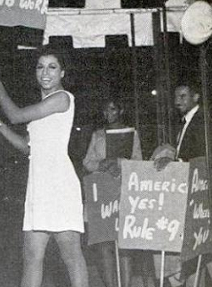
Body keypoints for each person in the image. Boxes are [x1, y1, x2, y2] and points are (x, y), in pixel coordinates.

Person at [0, 45, 89, 287]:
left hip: (60, 184)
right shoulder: (42, 111)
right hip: (39, 184)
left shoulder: (62, 98)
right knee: (31, 256)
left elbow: (17, 115)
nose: (45, 72)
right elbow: (27, 147)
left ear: (63, 73)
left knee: (71, 255)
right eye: (40, 67)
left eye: (53, 67)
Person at [151, 80, 212, 287]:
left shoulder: (201, 120)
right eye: (176, 97)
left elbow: (200, 155)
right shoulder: (185, 122)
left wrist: (174, 162)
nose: (177, 101)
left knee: (207, 252)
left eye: (183, 96)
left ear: (195, 97)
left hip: (202, 193)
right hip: (191, 191)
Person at [83, 98, 143, 287]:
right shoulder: (98, 134)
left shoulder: (132, 133)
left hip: (123, 189)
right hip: (102, 191)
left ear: (121, 110)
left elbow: (138, 161)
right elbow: (86, 162)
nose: (108, 114)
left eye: (112, 109)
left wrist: (118, 163)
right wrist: (101, 164)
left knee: (123, 242)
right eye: (105, 111)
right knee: (104, 242)